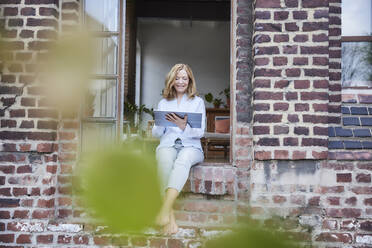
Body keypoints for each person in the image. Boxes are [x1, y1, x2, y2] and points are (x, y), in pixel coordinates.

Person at [152, 63, 205, 235]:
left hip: (192, 146)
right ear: (172, 80)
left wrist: (183, 126)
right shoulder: (163, 102)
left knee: (183, 160)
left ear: (190, 81)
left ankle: (164, 209)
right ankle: (170, 217)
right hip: (168, 144)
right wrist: (159, 124)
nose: (181, 81)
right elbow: (157, 134)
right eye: (177, 78)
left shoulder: (197, 102)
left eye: (184, 78)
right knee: (164, 161)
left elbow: (200, 132)